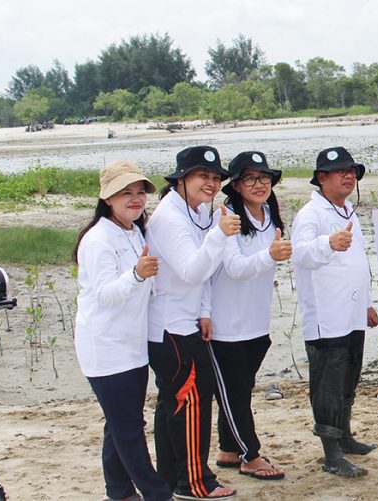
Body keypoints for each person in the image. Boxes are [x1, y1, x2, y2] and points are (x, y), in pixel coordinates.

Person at [74, 160, 172, 501]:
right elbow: (104, 295)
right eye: (125, 193)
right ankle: (156, 492)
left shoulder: (132, 231)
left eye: (139, 192)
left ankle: (118, 491)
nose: (135, 199)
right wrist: (137, 274)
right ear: (107, 198)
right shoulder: (98, 239)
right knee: (128, 428)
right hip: (106, 347)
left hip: (132, 345)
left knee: (120, 423)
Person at [147, 146, 239, 500]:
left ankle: (169, 477)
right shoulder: (170, 218)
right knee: (191, 403)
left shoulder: (197, 211)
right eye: (204, 176)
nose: (212, 184)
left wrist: (204, 310)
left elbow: (200, 277)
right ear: (182, 178)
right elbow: (192, 268)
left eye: (216, 177)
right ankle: (194, 482)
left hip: (186, 321)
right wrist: (220, 234)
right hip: (170, 327)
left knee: (174, 403)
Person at [291, 146, 378, 477]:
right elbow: (300, 255)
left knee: (348, 378)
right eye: (340, 172)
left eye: (352, 172)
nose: (348, 177)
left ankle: (345, 438)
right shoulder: (310, 215)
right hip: (327, 317)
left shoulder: (347, 211)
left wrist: (367, 303)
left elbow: (358, 261)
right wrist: (327, 244)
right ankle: (331, 454)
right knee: (327, 385)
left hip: (352, 311)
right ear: (321, 178)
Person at [208, 151, 290, 480]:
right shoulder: (226, 217)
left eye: (264, 178)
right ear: (237, 185)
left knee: (241, 388)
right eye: (250, 179)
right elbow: (235, 267)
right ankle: (249, 455)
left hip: (256, 321)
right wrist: (269, 255)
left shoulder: (270, 213)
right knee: (235, 394)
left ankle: (228, 448)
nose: (259, 185)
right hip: (226, 324)